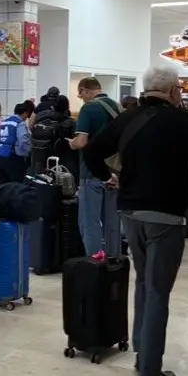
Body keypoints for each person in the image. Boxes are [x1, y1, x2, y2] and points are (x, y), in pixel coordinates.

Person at [83, 65, 188, 376]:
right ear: (173, 92)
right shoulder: (183, 122)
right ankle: (151, 373)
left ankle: (143, 356)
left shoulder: (127, 117)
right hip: (165, 217)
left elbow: (93, 152)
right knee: (158, 292)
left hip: (130, 212)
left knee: (144, 283)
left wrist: (107, 177)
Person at [70, 77, 123, 254]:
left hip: (91, 172)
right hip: (115, 171)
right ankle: (114, 260)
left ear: (86, 90)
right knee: (112, 221)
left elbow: (82, 141)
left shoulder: (89, 107)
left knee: (89, 221)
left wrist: (72, 143)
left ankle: (95, 262)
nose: (82, 98)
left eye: (81, 94)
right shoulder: (118, 107)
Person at [30, 95, 78, 179]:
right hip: (62, 162)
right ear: (67, 108)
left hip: (41, 159)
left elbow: (31, 126)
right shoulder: (70, 122)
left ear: (52, 107)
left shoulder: (41, 117)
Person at [0, 103, 33, 184]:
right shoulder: (20, 123)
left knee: (3, 183)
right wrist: (27, 153)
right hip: (13, 157)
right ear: (25, 113)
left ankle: (2, 197)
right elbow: (23, 140)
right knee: (16, 184)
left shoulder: (4, 122)